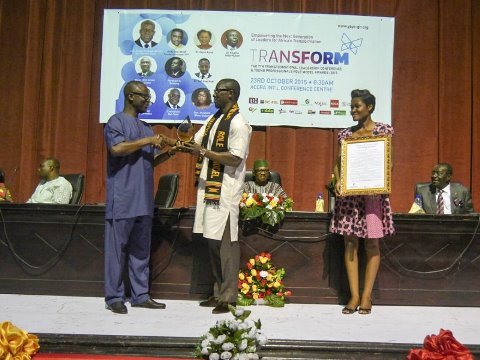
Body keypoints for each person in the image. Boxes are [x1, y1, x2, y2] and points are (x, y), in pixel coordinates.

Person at [165, 79, 252, 314]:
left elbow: (235, 158)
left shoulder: (239, 124)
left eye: (218, 91)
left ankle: (229, 297)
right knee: (212, 243)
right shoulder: (213, 120)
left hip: (225, 193)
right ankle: (217, 293)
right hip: (208, 191)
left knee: (225, 245)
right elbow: (195, 143)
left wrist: (203, 152)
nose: (214, 94)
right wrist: (173, 143)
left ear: (231, 94)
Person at [103, 80, 174, 314]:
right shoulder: (116, 122)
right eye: (144, 97)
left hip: (143, 200)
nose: (147, 102)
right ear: (131, 96)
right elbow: (118, 149)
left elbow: (149, 160)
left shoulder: (146, 127)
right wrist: (148, 140)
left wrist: (168, 154)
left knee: (141, 251)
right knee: (116, 251)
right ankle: (114, 297)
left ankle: (140, 295)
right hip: (123, 198)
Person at [330, 89, 394, 315]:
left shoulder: (383, 130)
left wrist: (378, 179)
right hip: (349, 199)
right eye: (352, 106)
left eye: (357, 106)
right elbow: (339, 165)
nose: (353, 110)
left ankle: (366, 295)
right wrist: (338, 181)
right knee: (350, 244)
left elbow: (388, 162)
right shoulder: (345, 135)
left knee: (372, 244)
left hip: (373, 198)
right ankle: (354, 295)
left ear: (370, 107)